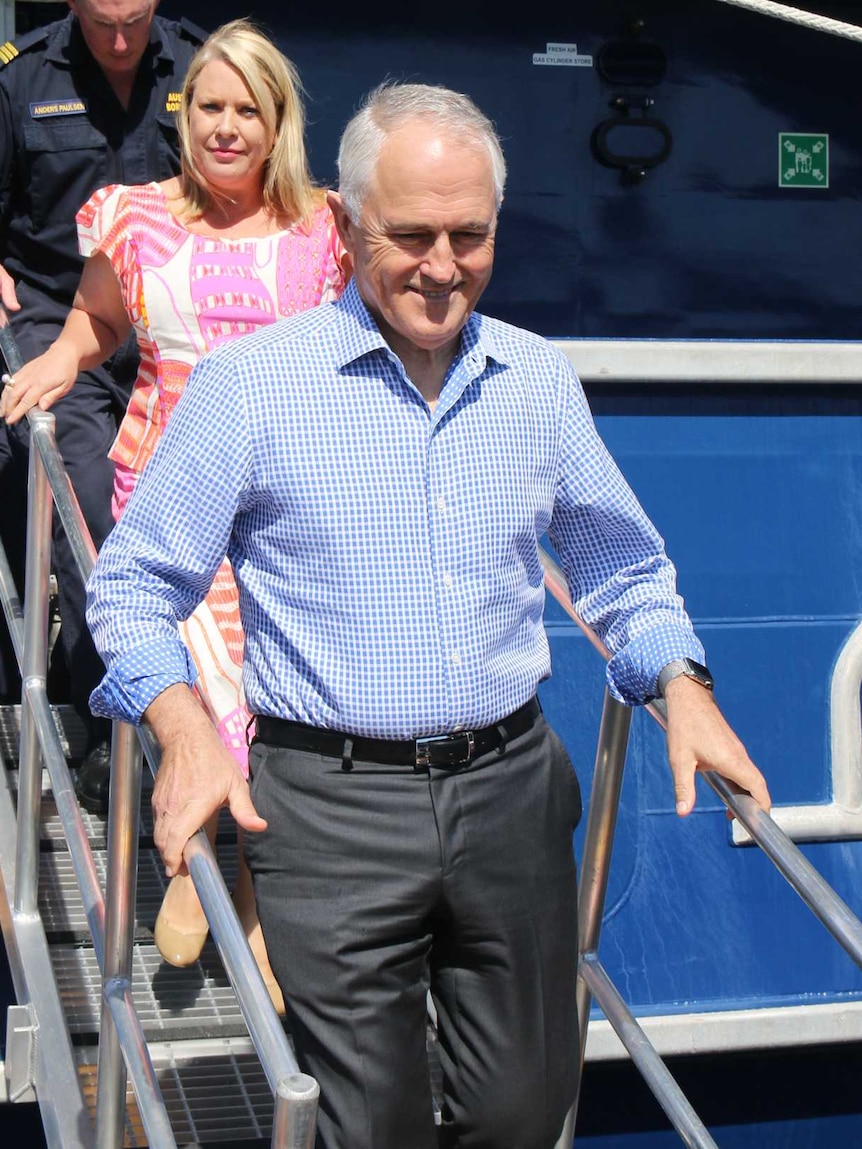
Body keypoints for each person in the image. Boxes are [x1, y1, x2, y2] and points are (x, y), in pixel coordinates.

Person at [84, 81, 771, 1149]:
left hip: (508, 793)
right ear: (349, 227)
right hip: (328, 808)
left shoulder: (536, 381)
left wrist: (682, 687)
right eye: (410, 235)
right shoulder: (251, 388)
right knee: (375, 1123)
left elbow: (619, 567)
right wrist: (180, 733)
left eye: (470, 235)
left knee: (521, 1112)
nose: (442, 266)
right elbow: (132, 585)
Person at [2, 18, 347, 1009]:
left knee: (278, 695)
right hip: (167, 493)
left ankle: (247, 891)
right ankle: (193, 849)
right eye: (209, 107)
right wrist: (58, 363)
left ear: (276, 121)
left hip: (286, 501)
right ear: (182, 117)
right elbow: (98, 322)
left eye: (247, 109)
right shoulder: (135, 217)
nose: (226, 126)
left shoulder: (327, 229)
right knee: (192, 684)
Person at [0, 0, 207, 812]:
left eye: (133, 22)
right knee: (87, 501)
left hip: (171, 312)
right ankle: (109, 711)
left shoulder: (200, 66)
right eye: (103, 24)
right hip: (61, 314)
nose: (121, 41)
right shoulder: (23, 78)